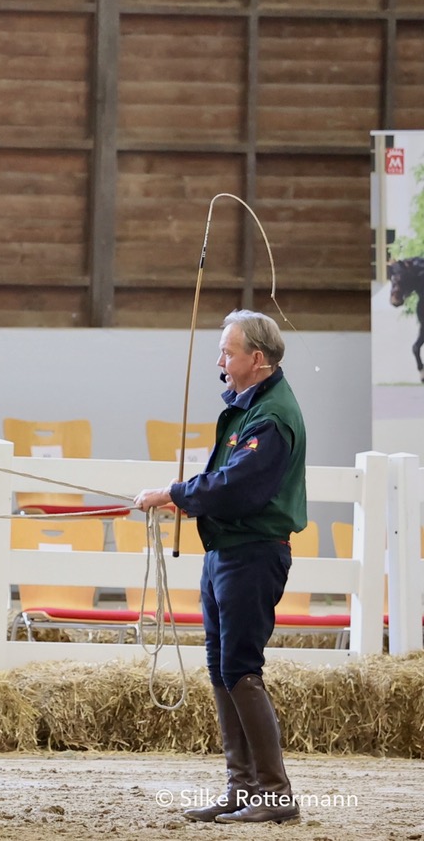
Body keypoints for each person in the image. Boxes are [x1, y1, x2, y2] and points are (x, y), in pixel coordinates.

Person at [134, 309, 306, 825]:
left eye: (228, 353)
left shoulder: (271, 417)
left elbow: (240, 485)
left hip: (251, 553)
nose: (220, 362)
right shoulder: (252, 407)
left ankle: (273, 795)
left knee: (239, 669)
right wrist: (190, 499)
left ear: (257, 358)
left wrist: (175, 493)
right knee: (223, 668)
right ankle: (242, 786)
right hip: (228, 553)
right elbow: (231, 482)